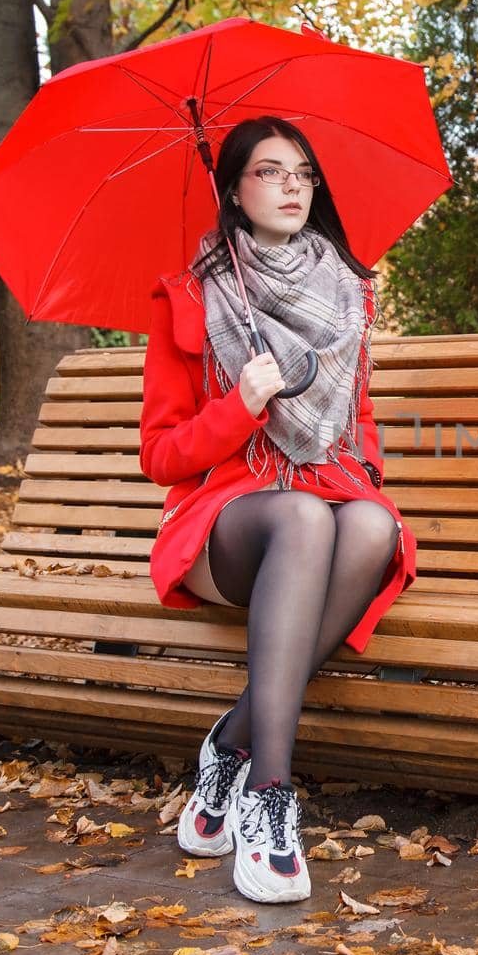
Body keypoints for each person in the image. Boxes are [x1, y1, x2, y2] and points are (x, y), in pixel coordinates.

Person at [138, 115, 418, 904]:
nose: (292, 185)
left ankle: (228, 743)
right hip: (228, 521)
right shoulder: (190, 298)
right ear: (234, 187)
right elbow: (161, 455)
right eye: (270, 171)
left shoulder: (347, 290)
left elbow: (356, 423)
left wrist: (361, 469)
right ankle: (270, 797)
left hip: (328, 496)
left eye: (302, 172)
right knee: (299, 515)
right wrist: (241, 404)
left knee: (368, 523)